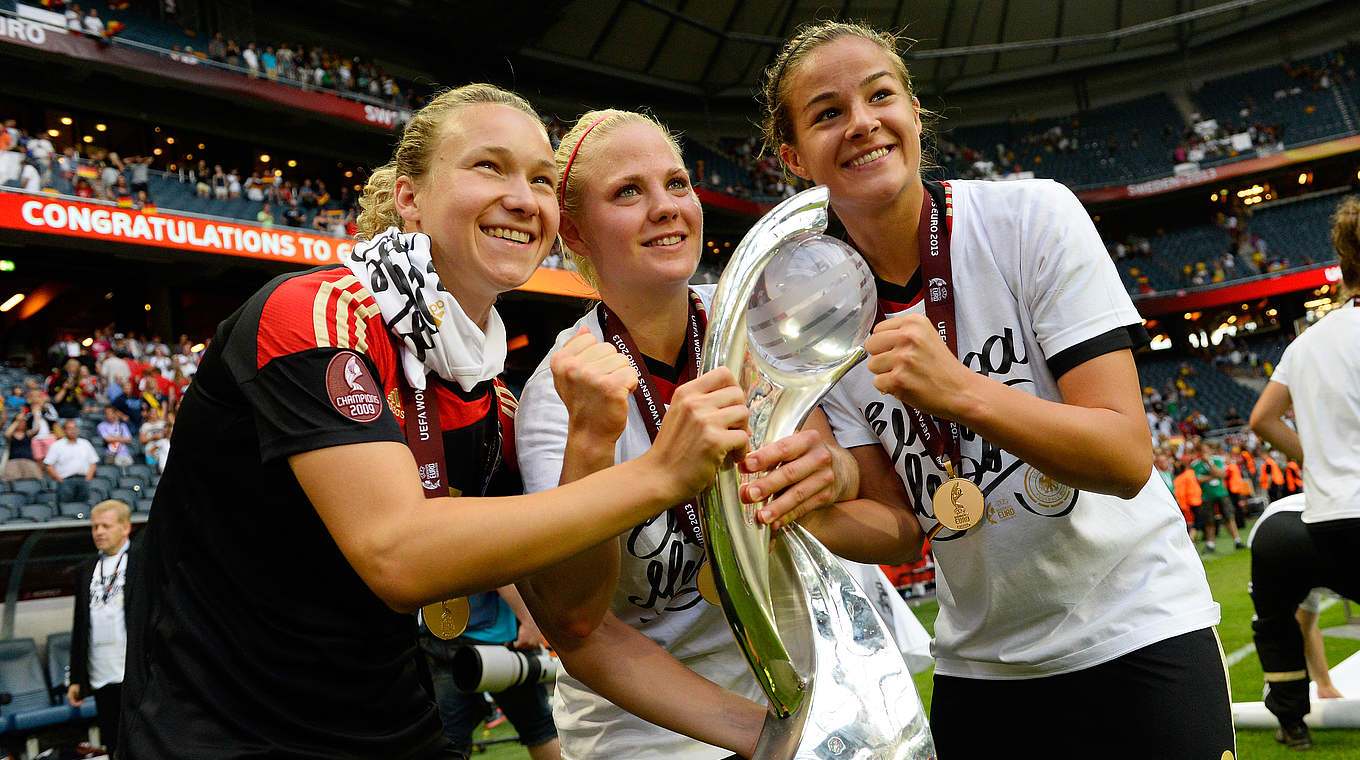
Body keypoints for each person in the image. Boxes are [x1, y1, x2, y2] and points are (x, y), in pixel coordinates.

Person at [118, 83, 751, 760]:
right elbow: (396, 551)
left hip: (391, 726)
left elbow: (573, 619)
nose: (521, 196)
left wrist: (766, 733)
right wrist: (659, 475)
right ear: (410, 198)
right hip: (221, 737)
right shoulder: (318, 314)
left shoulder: (490, 399)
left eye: (541, 178)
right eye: (489, 166)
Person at [760, 21, 1228, 757]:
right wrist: (791, 505)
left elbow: (1124, 456)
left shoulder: (1030, 218)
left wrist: (961, 391)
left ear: (915, 113)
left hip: (1137, 627)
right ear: (793, 156)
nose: (862, 123)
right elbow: (899, 524)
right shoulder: (811, 317)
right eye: (826, 113)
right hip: (983, 666)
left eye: (881, 95)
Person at [516, 109, 919, 759]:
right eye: (628, 191)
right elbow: (574, 622)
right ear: (576, 232)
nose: (665, 207)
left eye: (677, 184)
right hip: (647, 734)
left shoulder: (768, 330)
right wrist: (593, 445)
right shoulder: (559, 393)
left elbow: (894, 529)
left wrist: (835, 478)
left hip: (809, 701)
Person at [1249, 196, 1360, 750]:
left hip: (1326, 528)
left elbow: (1262, 419)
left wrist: (1317, 462)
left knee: (1274, 596)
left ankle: (1291, 720)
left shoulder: (1308, 340)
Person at [417, 588, 559, 759]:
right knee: (539, 729)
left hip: (440, 639)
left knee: (450, 742)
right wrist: (529, 620)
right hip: (491, 639)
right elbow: (499, 569)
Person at [69, 500, 135, 756]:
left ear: (125, 528)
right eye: (95, 526)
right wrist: (76, 678)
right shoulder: (86, 569)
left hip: (133, 673)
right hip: (100, 673)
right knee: (113, 744)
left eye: (106, 526)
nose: (98, 532)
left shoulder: (141, 562)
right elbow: (79, 626)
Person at [1194, 441, 1243, 552]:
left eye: (1206, 450)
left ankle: (1237, 541)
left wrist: (1210, 464)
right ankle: (1210, 544)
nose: (1205, 453)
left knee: (1229, 517)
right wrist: (1213, 475)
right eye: (1202, 451)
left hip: (1221, 492)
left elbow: (1222, 474)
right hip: (1207, 495)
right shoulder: (1196, 464)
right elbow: (1198, 479)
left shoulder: (1216, 460)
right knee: (1209, 520)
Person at [44, 419, 98, 506]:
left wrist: (88, 478)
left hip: (83, 480)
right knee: (66, 507)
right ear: (64, 430)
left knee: (83, 507)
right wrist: (59, 479)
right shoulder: (57, 445)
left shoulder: (85, 443)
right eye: (69, 428)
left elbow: (93, 462)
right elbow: (48, 465)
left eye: (74, 428)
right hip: (65, 481)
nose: (73, 431)